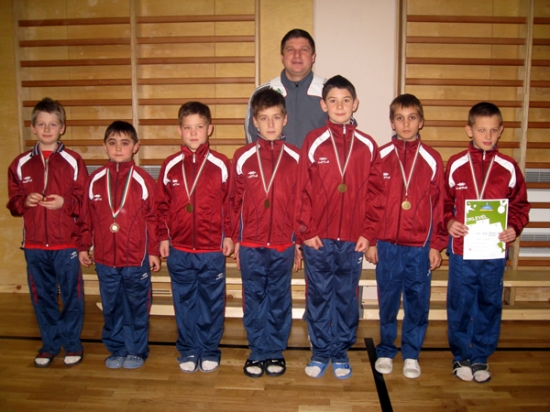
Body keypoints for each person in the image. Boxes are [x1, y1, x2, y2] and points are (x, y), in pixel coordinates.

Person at [295, 75, 385, 379]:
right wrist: (306, 232)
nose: (340, 106)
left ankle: (340, 351)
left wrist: (368, 233)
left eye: (346, 100)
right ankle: (321, 351)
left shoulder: (367, 145)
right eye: (333, 100)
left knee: (346, 297)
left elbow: (376, 195)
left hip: (352, 239)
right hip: (318, 238)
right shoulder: (313, 140)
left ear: (355, 104)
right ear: (323, 105)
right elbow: (302, 190)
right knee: (319, 295)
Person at [445, 102, 530, 383]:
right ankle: (460, 355)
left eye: (493, 130)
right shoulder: (456, 164)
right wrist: (449, 222)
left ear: (501, 130)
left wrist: (514, 227)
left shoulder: (508, 167)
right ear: (469, 130)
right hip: (462, 250)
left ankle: (481, 355)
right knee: (460, 303)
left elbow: (520, 206)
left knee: (489, 302)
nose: (488, 136)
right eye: (482, 130)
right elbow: (442, 203)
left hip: (494, 251)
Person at [365, 94, 447, 379]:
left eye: (412, 117)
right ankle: (387, 349)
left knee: (417, 301)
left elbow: (440, 206)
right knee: (387, 301)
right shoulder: (381, 156)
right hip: (387, 244)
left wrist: (436, 245)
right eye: (400, 118)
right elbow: (370, 202)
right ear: (392, 122)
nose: (406, 123)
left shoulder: (432, 159)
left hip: (419, 247)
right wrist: (371, 240)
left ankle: (411, 353)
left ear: (421, 122)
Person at [6, 97, 87, 368]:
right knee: (42, 297)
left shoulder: (73, 161)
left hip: (66, 244)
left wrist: (65, 203)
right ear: (33, 128)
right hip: (34, 246)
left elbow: (83, 201)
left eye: (53, 124)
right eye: (41, 124)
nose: (47, 129)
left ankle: (72, 344)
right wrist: (24, 202)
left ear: (62, 127)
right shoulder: (20, 164)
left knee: (72, 296)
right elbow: (13, 203)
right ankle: (50, 345)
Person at [156, 101, 234, 373]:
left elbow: (230, 204)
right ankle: (188, 349)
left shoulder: (221, 164)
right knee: (184, 301)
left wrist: (229, 235)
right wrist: (162, 237)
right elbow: (161, 206)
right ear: (179, 130)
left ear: (209, 129)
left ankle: (209, 349)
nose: (193, 132)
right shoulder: (170, 165)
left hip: (211, 249)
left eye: (199, 127)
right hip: (179, 248)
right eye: (187, 127)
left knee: (212, 302)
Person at [75, 121, 160, 369]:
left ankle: (136, 350)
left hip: (135, 258)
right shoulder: (95, 180)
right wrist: (83, 246)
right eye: (112, 143)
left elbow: (154, 218)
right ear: (105, 146)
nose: (118, 148)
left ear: (135, 147)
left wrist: (153, 251)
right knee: (111, 306)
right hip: (104, 259)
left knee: (136, 305)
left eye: (125, 143)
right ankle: (117, 348)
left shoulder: (144, 180)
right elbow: (85, 217)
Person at [230, 89, 301, 378]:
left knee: (280, 298)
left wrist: (298, 241)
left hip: (284, 244)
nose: (270, 124)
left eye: (276, 118)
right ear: (255, 122)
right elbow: (234, 202)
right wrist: (235, 238)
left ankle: (275, 351)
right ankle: (258, 350)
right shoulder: (242, 157)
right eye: (263, 118)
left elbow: (301, 204)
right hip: (251, 243)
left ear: (285, 119)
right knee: (254, 297)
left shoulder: (296, 158)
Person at [245, 28, 326, 148]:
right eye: (290, 50)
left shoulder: (329, 92)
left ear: (313, 57)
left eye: (304, 50)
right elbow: (252, 140)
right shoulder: (264, 92)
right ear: (282, 57)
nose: (297, 55)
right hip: (275, 161)